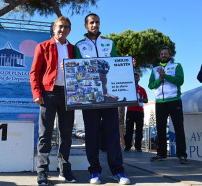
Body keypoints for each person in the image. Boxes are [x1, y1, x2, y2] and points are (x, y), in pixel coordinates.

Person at [74, 13, 130, 185]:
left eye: (97, 22)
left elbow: (116, 67)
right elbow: (75, 70)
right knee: (92, 135)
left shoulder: (109, 43)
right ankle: (94, 172)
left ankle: (118, 172)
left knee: (113, 134)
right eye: (91, 22)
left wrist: (127, 64)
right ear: (86, 25)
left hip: (109, 96)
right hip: (89, 97)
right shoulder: (79, 45)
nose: (94, 25)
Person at [30, 16, 76, 185]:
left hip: (69, 94)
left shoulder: (73, 49)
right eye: (59, 26)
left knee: (66, 135)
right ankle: (42, 172)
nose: (62, 30)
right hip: (48, 94)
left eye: (65, 27)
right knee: (45, 135)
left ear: (69, 30)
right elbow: (34, 72)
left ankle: (64, 170)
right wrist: (37, 93)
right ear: (54, 28)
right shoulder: (42, 46)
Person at [148, 46, 188, 164]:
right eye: (161, 54)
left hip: (174, 100)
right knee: (160, 128)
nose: (163, 55)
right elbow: (151, 85)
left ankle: (182, 155)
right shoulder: (155, 69)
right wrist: (159, 80)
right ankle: (161, 154)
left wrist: (165, 76)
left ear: (170, 56)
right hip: (160, 102)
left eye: (166, 54)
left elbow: (180, 81)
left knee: (178, 128)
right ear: (159, 56)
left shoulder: (177, 66)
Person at [124, 73, 148, 152]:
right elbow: (124, 98)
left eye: (137, 78)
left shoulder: (142, 89)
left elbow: (146, 100)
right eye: (134, 78)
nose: (136, 79)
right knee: (129, 130)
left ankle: (138, 146)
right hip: (130, 111)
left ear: (139, 79)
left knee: (139, 130)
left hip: (139, 112)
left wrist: (142, 100)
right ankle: (127, 146)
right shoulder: (128, 88)